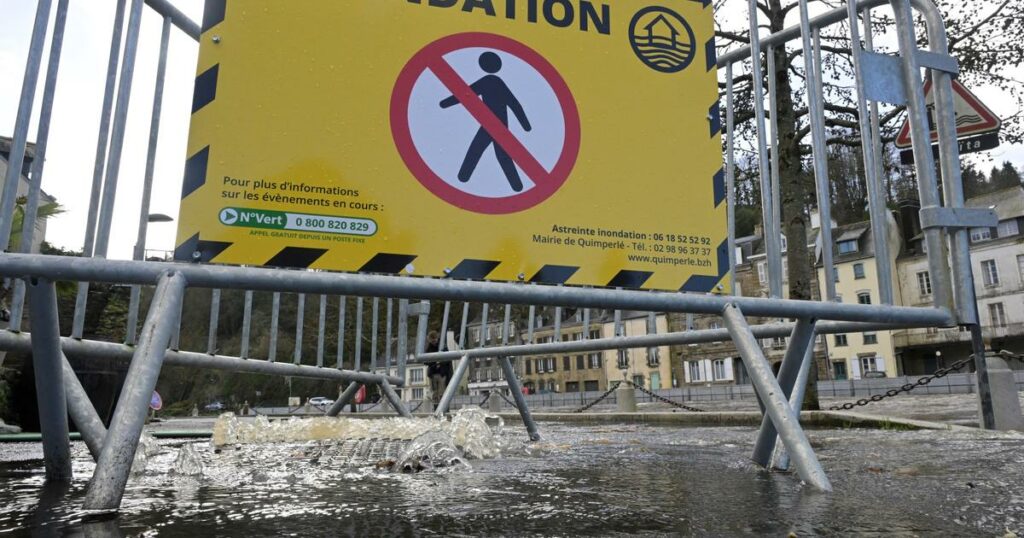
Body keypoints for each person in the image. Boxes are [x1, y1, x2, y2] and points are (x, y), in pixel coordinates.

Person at [440, 51, 532, 192]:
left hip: (493, 125)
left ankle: (464, 176)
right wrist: (525, 125)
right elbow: (515, 104)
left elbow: (464, 94)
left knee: (478, 150)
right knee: (498, 154)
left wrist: (445, 103)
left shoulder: (488, 82)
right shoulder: (494, 82)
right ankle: (516, 185)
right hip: (496, 126)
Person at [425, 330, 452, 405]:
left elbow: (448, 359)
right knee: (435, 393)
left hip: (441, 373)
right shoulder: (429, 348)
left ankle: (442, 408)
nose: (433, 343)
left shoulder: (443, 346)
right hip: (433, 373)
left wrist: (439, 362)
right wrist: (434, 363)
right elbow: (425, 361)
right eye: (432, 341)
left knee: (442, 393)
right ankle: (436, 407)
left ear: (437, 339)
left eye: (434, 341)